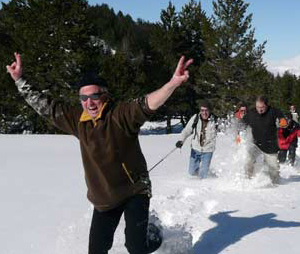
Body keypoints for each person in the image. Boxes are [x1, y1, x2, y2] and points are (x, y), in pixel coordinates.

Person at [7, 52, 193, 254]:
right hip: (104, 197)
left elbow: (148, 103)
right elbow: (47, 107)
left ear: (104, 95)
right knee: (96, 250)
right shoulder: (77, 120)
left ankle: (154, 234)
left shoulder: (121, 114)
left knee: (136, 247)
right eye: (83, 98)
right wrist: (20, 80)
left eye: (94, 96)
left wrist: (173, 83)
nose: (89, 102)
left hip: (135, 190)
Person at [243, 96, 284, 184]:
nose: (260, 110)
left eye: (262, 107)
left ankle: (276, 183)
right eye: (258, 107)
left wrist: (282, 120)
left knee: (274, 167)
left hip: (270, 145)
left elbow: (281, 115)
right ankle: (248, 179)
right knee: (248, 161)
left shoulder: (273, 111)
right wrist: (239, 134)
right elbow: (243, 123)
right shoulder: (251, 113)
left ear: (267, 105)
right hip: (256, 144)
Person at [175, 100, 217, 179]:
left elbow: (225, 129)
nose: (204, 113)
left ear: (209, 111)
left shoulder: (214, 120)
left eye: (206, 110)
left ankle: (203, 186)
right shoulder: (196, 118)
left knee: (204, 175)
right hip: (196, 149)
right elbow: (187, 130)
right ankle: (199, 177)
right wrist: (181, 140)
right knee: (192, 172)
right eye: (202, 110)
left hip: (208, 150)